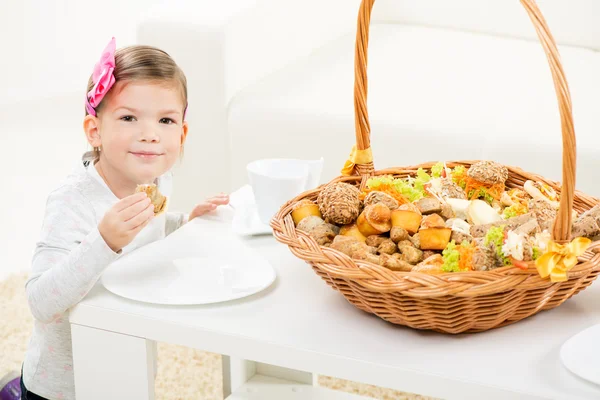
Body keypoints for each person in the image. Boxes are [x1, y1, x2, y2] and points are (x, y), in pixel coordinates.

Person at [19, 37, 229, 400]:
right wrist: (104, 242)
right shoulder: (72, 202)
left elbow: (150, 236)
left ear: (182, 134)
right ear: (95, 131)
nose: (149, 134)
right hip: (65, 386)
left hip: (127, 364)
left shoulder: (155, 182)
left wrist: (183, 223)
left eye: (165, 120)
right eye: (129, 117)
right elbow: (40, 301)